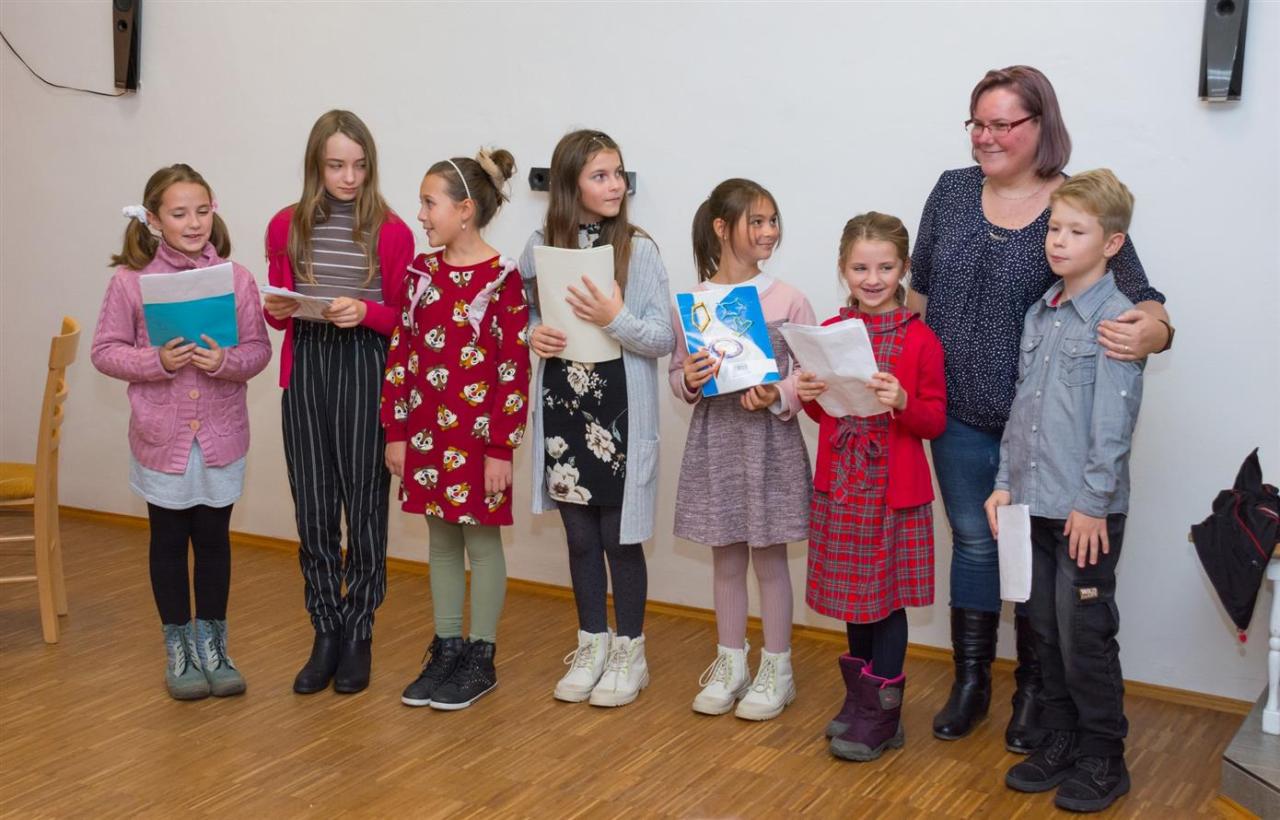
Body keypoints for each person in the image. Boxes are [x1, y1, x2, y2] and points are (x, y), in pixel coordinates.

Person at [909, 66, 1172, 750]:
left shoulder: (1074, 205)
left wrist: (1156, 332)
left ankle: (1035, 692)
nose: (986, 137)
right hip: (956, 413)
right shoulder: (951, 191)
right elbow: (919, 290)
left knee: (1036, 560)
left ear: (1040, 126)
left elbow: (1142, 299)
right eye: (978, 123)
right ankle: (971, 683)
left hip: (1041, 428)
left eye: (1002, 124)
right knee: (974, 544)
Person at [986, 169, 1144, 813]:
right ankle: (1060, 739)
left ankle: (1104, 757)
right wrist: (1004, 484)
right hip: (1033, 504)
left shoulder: (1118, 320)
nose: (1058, 240)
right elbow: (1023, 409)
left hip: (1084, 514)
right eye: (1054, 227)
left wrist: (1092, 503)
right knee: (1044, 633)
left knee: (1085, 637)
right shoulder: (1041, 313)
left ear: (1112, 243)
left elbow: (1113, 424)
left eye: (1076, 231)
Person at [92, 164, 271, 700]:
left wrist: (225, 361)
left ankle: (214, 647)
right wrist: (157, 361)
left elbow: (259, 350)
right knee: (169, 541)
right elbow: (105, 351)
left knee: (214, 541)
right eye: (179, 213)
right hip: (161, 438)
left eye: (202, 211)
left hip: (221, 435)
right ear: (154, 220)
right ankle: (179, 650)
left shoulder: (238, 279)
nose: (194, 223)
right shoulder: (130, 282)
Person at [520, 129, 673, 707]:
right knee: (580, 537)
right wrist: (532, 332)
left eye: (618, 174)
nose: (615, 187)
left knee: (619, 538)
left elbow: (661, 338)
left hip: (620, 412)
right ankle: (591, 644)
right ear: (570, 184)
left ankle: (631, 652)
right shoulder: (541, 245)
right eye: (600, 176)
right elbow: (524, 311)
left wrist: (615, 317)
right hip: (564, 406)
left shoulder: (641, 249)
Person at [263, 110, 414, 695]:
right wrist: (279, 309)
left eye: (359, 165)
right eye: (335, 166)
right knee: (313, 505)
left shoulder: (392, 231)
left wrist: (367, 312)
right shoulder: (285, 225)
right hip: (307, 364)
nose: (349, 177)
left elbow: (404, 320)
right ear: (315, 166)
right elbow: (281, 310)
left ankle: (358, 631)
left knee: (366, 504)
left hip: (365, 364)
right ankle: (324, 628)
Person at [384, 149, 530, 711]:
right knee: (441, 539)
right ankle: (446, 648)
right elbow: (401, 354)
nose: (421, 215)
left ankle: (480, 655)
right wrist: (396, 430)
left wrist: (500, 448)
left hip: (478, 442)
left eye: (430, 203)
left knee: (481, 542)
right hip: (426, 435)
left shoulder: (502, 280)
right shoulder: (420, 274)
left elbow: (513, 369)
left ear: (465, 210)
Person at [798, 212, 946, 761]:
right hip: (843, 490)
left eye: (885, 267)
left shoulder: (920, 338)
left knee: (885, 606)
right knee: (853, 602)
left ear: (903, 268)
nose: (873, 278)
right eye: (861, 268)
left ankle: (883, 718)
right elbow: (825, 415)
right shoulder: (830, 333)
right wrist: (811, 394)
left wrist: (902, 401)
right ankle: (860, 703)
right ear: (843, 269)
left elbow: (934, 421)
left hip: (891, 496)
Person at [671, 178, 814, 721]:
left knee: (770, 559)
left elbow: (812, 373)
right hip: (717, 442)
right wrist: (688, 377)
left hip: (769, 445)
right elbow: (678, 375)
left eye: (773, 220)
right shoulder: (696, 302)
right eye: (756, 221)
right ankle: (731, 663)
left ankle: (778, 668)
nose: (769, 231)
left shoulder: (789, 298)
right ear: (721, 227)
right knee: (726, 557)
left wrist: (780, 393)